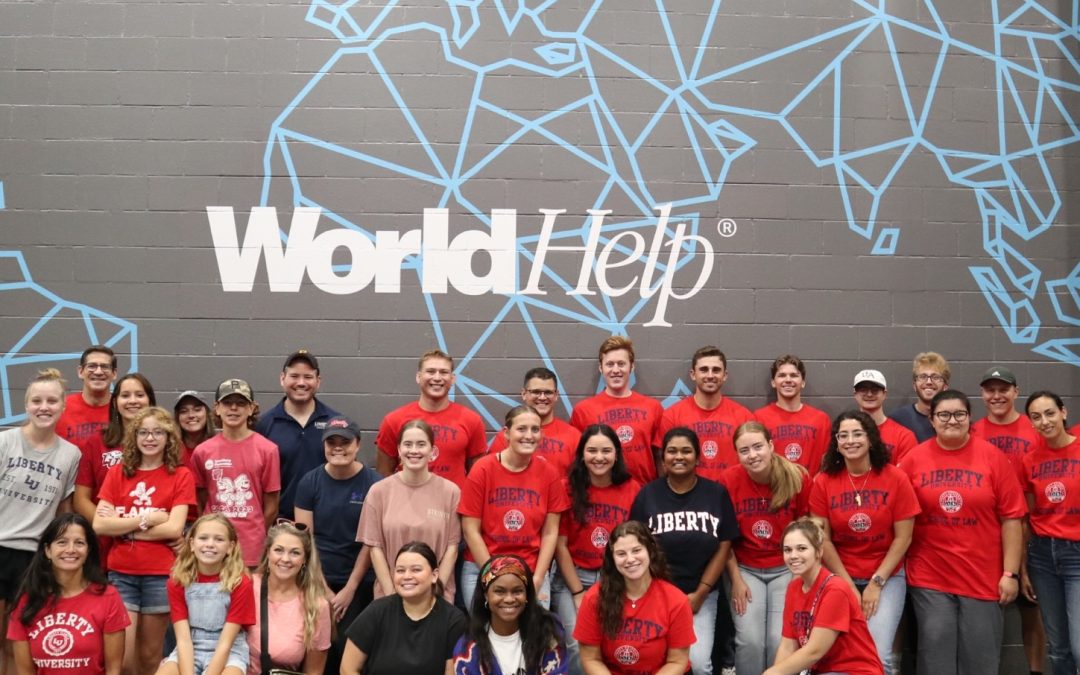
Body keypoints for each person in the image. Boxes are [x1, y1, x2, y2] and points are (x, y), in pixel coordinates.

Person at [897, 389, 1026, 675]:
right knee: (935, 660)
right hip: (931, 576)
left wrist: (1011, 573)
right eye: (944, 415)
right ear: (931, 419)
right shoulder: (913, 459)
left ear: (969, 418)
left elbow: (1012, 519)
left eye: (959, 414)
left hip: (983, 577)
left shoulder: (993, 458)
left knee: (980, 662)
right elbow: (895, 511)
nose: (952, 420)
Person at [809, 411, 920, 673]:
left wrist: (876, 583)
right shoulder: (823, 481)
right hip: (839, 575)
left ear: (870, 439)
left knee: (877, 656)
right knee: (835, 655)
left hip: (885, 575)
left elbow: (904, 537)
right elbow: (823, 540)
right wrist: (847, 584)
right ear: (836, 443)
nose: (850, 440)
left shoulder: (895, 478)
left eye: (857, 434)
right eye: (843, 435)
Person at [92, 407, 196, 675]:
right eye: (144, 432)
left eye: (158, 432)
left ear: (168, 438)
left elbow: (174, 528)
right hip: (122, 573)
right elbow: (100, 524)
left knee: (150, 657)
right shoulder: (118, 473)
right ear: (134, 436)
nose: (150, 438)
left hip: (160, 576)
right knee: (123, 659)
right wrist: (148, 519)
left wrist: (123, 529)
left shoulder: (181, 475)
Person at [630, 428, 738, 675]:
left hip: (700, 595)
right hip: (655, 593)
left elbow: (724, 545)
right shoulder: (647, 494)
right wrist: (655, 593)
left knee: (698, 665)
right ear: (663, 458)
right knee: (653, 660)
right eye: (672, 451)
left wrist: (701, 593)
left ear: (698, 457)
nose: (679, 456)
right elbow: (637, 547)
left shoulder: (716, 493)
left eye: (686, 451)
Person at [0, 369, 82, 671]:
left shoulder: (70, 454)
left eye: (51, 401)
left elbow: (64, 511)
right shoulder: (5, 442)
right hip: (0, 546)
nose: (43, 407)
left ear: (62, 406)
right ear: (26, 405)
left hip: (34, 558)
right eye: (36, 401)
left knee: (19, 642)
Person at [971, 365, 1046, 674]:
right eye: (990, 390)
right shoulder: (973, 430)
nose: (997, 396)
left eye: (1004, 389)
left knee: (1032, 608)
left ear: (1016, 392)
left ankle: (1035, 670)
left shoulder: (1035, 427)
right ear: (982, 394)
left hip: (1031, 530)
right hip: (988, 533)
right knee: (987, 608)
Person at [293, 415, 380, 674]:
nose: (338, 448)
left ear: (358, 444)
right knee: (316, 646)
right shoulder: (310, 482)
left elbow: (371, 541)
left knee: (348, 647)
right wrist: (324, 589)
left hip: (360, 580)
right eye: (332, 442)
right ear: (324, 445)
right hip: (318, 577)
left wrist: (350, 589)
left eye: (345, 442)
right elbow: (305, 540)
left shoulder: (374, 484)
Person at [721, 421, 810, 675]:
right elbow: (725, 539)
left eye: (758, 447)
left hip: (786, 568)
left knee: (777, 639)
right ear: (737, 455)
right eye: (744, 450)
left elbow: (808, 530)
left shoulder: (797, 477)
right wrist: (736, 579)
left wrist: (799, 575)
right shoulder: (728, 480)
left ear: (771, 446)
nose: (752, 455)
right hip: (745, 569)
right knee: (750, 640)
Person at [459, 405, 570, 608]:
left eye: (535, 429)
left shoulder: (549, 473)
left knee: (532, 628)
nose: (529, 435)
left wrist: (538, 578)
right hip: (482, 566)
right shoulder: (482, 469)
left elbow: (550, 532)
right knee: (486, 628)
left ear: (541, 434)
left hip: (531, 569)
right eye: (521, 429)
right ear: (506, 433)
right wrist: (493, 576)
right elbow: (470, 530)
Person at [554, 424, 641, 674]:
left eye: (606, 451)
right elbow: (560, 545)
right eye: (592, 450)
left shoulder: (632, 488)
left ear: (617, 454)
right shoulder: (566, 487)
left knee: (613, 643)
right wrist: (578, 592)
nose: (599, 457)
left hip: (616, 579)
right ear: (582, 454)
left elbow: (637, 545)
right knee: (576, 644)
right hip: (573, 578)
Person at [6, 514, 130, 675]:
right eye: (62, 542)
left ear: (88, 550)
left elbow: (114, 670)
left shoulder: (108, 597)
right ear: (48, 551)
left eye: (79, 543)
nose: (71, 550)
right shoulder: (27, 601)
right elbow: (25, 672)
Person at [357, 419, 461, 602]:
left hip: (437, 599)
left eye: (421, 444)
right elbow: (375, 548)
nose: (414, 450)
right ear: (399, 450)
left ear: (433, 452)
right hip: (390, 596)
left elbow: (452, 549)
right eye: (408, 444)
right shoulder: (378, 492)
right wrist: (391, 595)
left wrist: (435, 593)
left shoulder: (451, 492)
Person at [763, 518, 883, 675]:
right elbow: (787, 646)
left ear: (819, 552)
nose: (793, 555)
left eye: (801, 548)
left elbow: (815, 651)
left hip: (855, 670)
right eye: (787, 550)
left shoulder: (835, 589)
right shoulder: (793, 588)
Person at [574, 520, 694, 674]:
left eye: (636, 550)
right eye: (621, 554)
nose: (630, 559)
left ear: (650, 551)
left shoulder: (676, 601)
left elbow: (677, 662)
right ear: (612, 559)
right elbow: (591, 658)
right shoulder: (594, 598)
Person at [190, 379, 281, 568]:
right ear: (217, 408)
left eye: (240, 403)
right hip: (213, 548)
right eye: (227, 403)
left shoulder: (267, 450)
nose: (233, 408)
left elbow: (271, 505)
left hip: (251, 549)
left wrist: (256, 533)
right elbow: (201, 498)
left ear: (251, 408)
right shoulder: (202, 451)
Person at [341, 542, 467, 675]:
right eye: (400, 570)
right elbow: (347, 669)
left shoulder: (453, 620)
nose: (407, 576)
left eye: (416, 570)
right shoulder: (376, 611)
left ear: (434, 575)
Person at [1022, 391, 1080, 675]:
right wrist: (1023, 568)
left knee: (1079, 646)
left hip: (1076, 554)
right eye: (1036, 417)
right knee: (1058, 648)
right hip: (1043, 556)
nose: (1044, 421)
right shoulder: (1029, 461)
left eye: (1050, 413)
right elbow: (1028, 516)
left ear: (1063, 413)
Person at [75, 374, 157, 569]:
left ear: (150, 401)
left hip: (153, 544)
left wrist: (136, 527)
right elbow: (80, 499)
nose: (133, 401)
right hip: (105, 546)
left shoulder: (168, 443)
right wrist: (113, 526)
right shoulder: (97, 442)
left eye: (139, 395)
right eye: (125, 395)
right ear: (115, 403)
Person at [158, 514, 255, 675]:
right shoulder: (177, 581)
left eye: (219, 539)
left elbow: (225, 643)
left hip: (230, 650)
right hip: (191, 645)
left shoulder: (240, 583)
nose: (210, 544)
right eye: (203, 538)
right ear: (192, 544)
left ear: (230, 547)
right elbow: (183, 639)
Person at [375, 349, 487, 489]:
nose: (437, 378)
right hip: (408, 500)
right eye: (430, 371)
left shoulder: (471, 420)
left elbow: (476, 477)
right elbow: (384, 474)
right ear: (418, 377)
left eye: (444, 372)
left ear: (452, 379)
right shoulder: (394, 420)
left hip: (454, 501)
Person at [254, 350, 341, 521]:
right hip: (280, 524)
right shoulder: (264, 425)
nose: (301, 383)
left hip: (325, 522)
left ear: (318, 381)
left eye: (308, 377)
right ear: (282, 378)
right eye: (294, 376)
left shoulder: (335, 423)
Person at [451, 555, 568, 674]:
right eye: (499, 591)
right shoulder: (467, 650)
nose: (509, 599)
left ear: (527, 594)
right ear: (486, 595)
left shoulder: (548, 629)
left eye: (517, 591)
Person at [571, 336, 664, 484]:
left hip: (645, 490)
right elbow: (577, 458)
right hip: (602, 492)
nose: (615, 370)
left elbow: (660, 456)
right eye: (609, 364)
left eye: (621, 364)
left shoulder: (653, 407)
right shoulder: (583, 410)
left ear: (632, 367)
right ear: (601, 368)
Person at [653, 346, 754, 482]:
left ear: (725, 375)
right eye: (704, 370)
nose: (710, 375)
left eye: (716, 370)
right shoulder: (672, 415)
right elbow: (662, 460)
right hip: (687, 492)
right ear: (693, 374)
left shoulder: (744, 417)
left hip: (730, 492)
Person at [246, 522, 331, 675]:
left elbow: (314, 671)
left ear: (305, 559)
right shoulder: (246, 587)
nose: (285, 559)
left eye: (295, 553)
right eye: (278, 550)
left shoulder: (316, 606)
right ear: (268, 553)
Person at [488, 368, 581, 475]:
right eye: (536, 392)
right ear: (524, 394)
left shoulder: (574, 436)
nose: (542, 397)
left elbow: (579, 479)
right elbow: (493, 475)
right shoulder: (507, 436)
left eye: (548, 392)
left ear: (556, 395)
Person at [753, 355, 831, 477]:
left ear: (803, 382)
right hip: (774, 486)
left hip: (810, 487)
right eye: (782, 375)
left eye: (794, 375)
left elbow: (826, 463)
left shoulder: (821, 419)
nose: (788, 380)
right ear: (773, 382)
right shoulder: (759, 418)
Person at [851, 370, 917, 465]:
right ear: (855, 394)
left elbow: (905, 473)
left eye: (875, 390)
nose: (869, 394)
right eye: (863, 390)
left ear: (884, 394)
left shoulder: (903, 436)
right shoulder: (845, 435)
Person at [56, 345, 117, 447]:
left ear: (114, 373)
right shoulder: (61, 407)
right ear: (80, 371)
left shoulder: (122, 409)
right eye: (92, 366)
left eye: (105, 367)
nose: (98, 372)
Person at [888, 352, 950, 443]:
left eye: (935, 377)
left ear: (945, 386)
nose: (929, 382)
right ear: (914, 385)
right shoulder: (898, 419)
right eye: (923, 377)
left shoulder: (954, 420)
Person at [173, 391, 215, 470]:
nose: (191, 415)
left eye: (197, 410)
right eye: (184, 411)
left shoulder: (218, 447)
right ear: (177, 417)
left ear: (207, 414)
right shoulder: (169, 450)